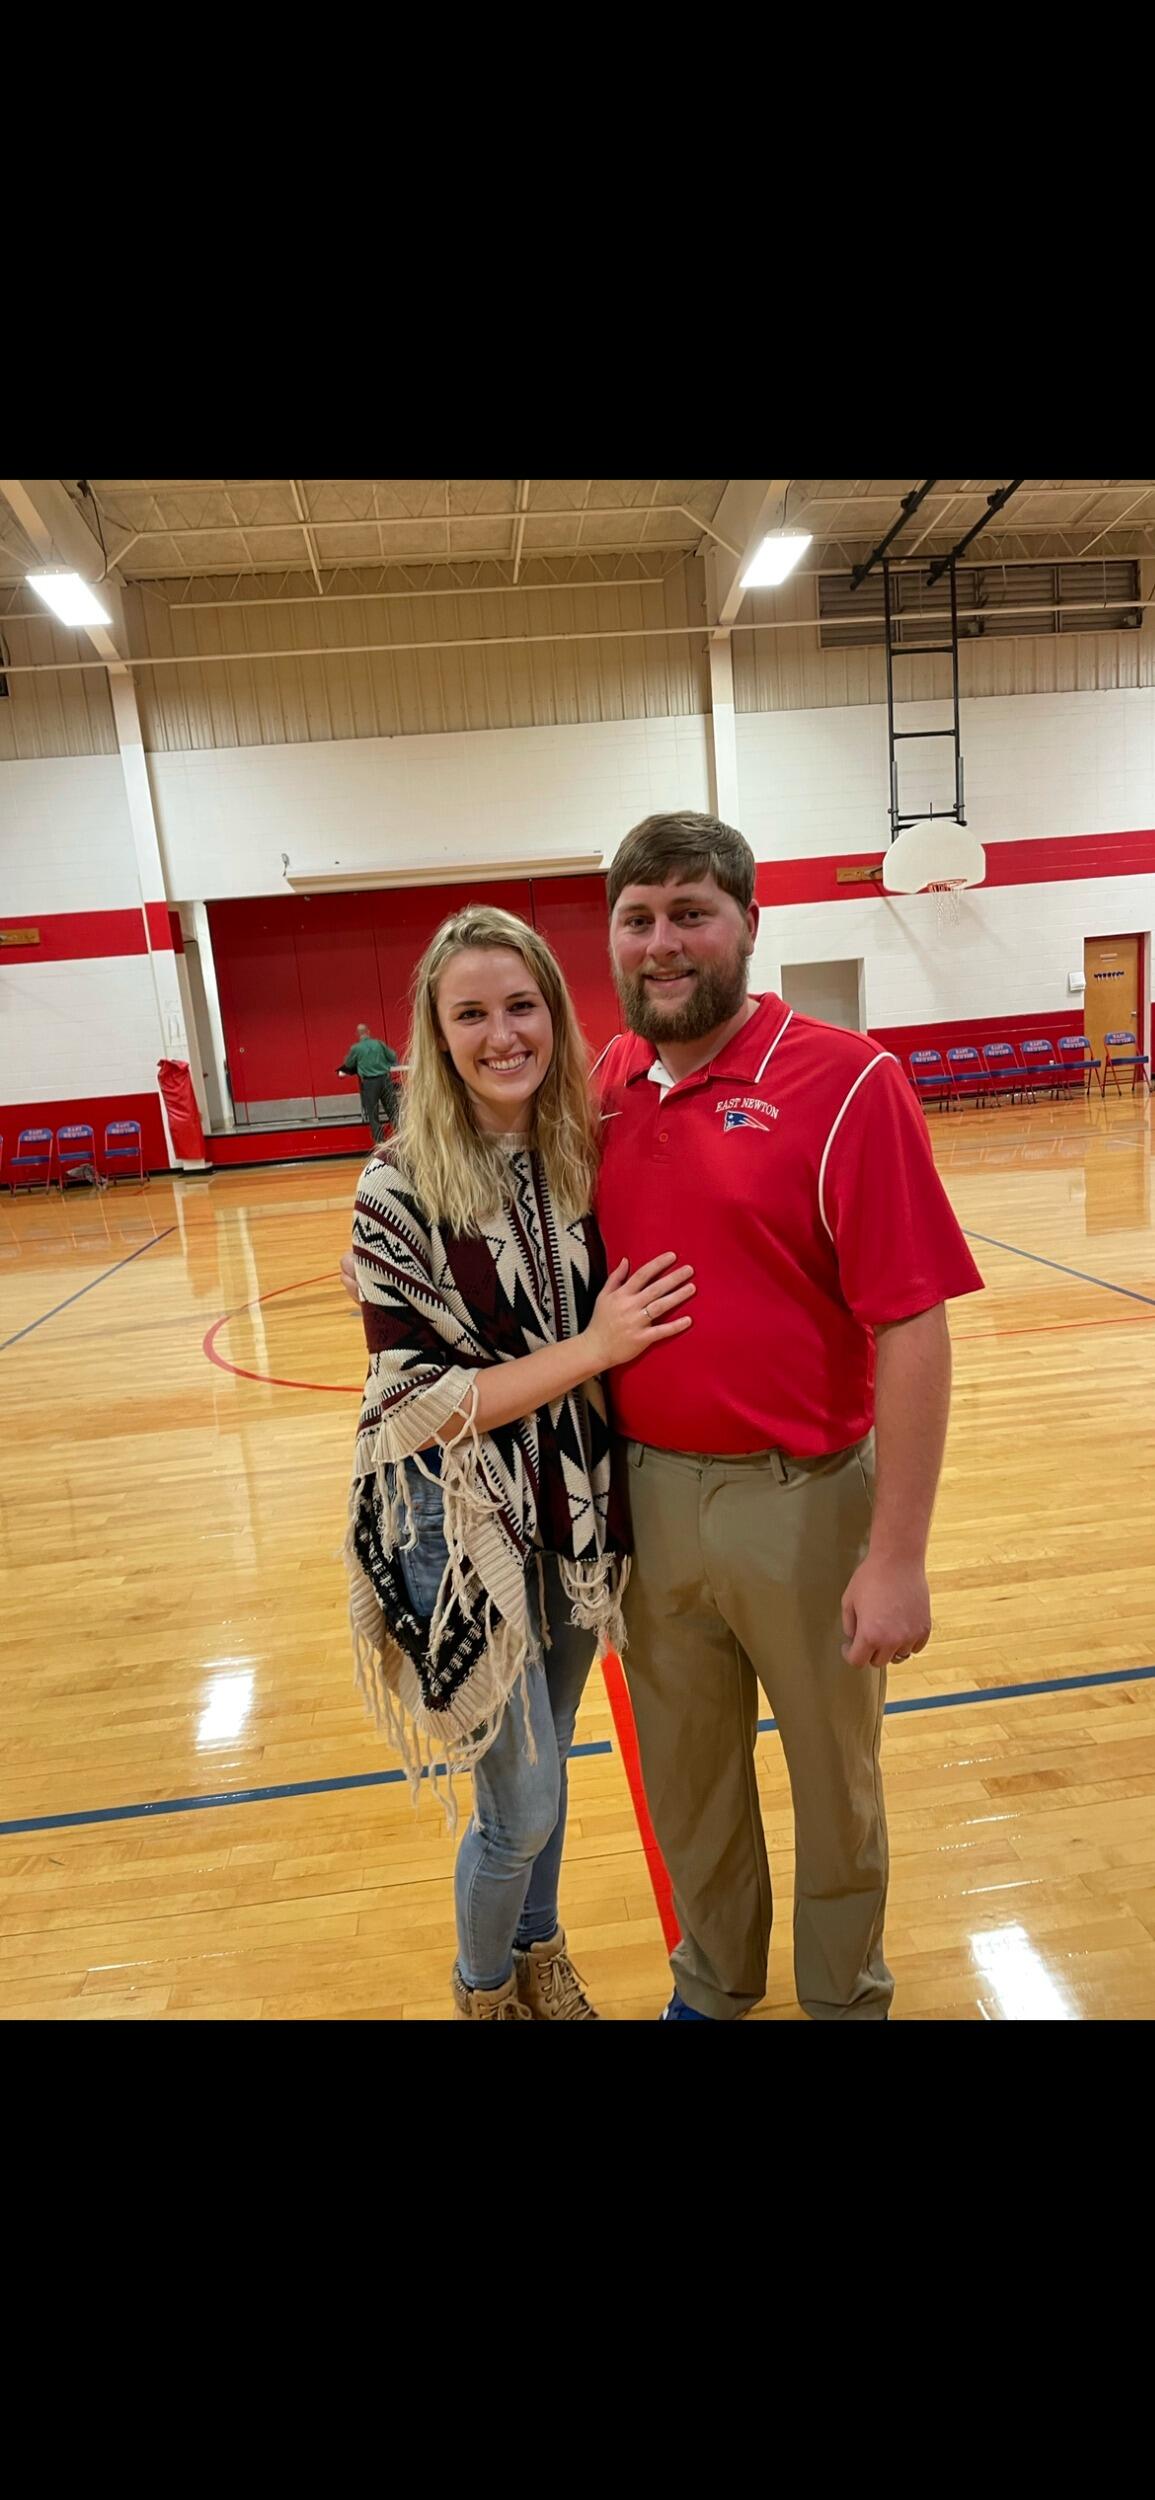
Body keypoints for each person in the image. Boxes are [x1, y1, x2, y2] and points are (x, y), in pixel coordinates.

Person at [594, 811, 984, 2022]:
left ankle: (842, 1998)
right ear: (610, 936)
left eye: (691, 914)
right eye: (639, 918)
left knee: (834, 1781)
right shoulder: (605, 1083)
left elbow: (912, 1322)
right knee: (686, 1776)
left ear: (749, 925)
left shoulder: (850, 1082)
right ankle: (713, 1985)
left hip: (804, 1499)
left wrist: (899, 1554)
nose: (664, 944)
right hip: (645, 1497)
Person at [344, 904, 695, 2021]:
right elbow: (414, 1405)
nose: (503, 1034)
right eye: (472, 1013)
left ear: (554, 1012)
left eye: (522, 1005)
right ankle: (484, 1990)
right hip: (460, 1526)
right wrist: (590, 1350)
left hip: (578, 1507)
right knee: (523, 1804)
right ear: (436, 1034)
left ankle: (541, 1950)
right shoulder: (394, 1185)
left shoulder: (581, 1152)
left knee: (552, 1767)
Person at [337, 1022, 400, 1143]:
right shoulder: (379, 1044)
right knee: (393, 1111)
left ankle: (381, 1143)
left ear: (357, 1034)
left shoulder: (356, 1049)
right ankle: (402, 1140)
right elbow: (392, 1056)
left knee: (373, 1114)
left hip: (370, 1083)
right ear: (368, 1032)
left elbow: (349, 1064)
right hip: (385, 1080)